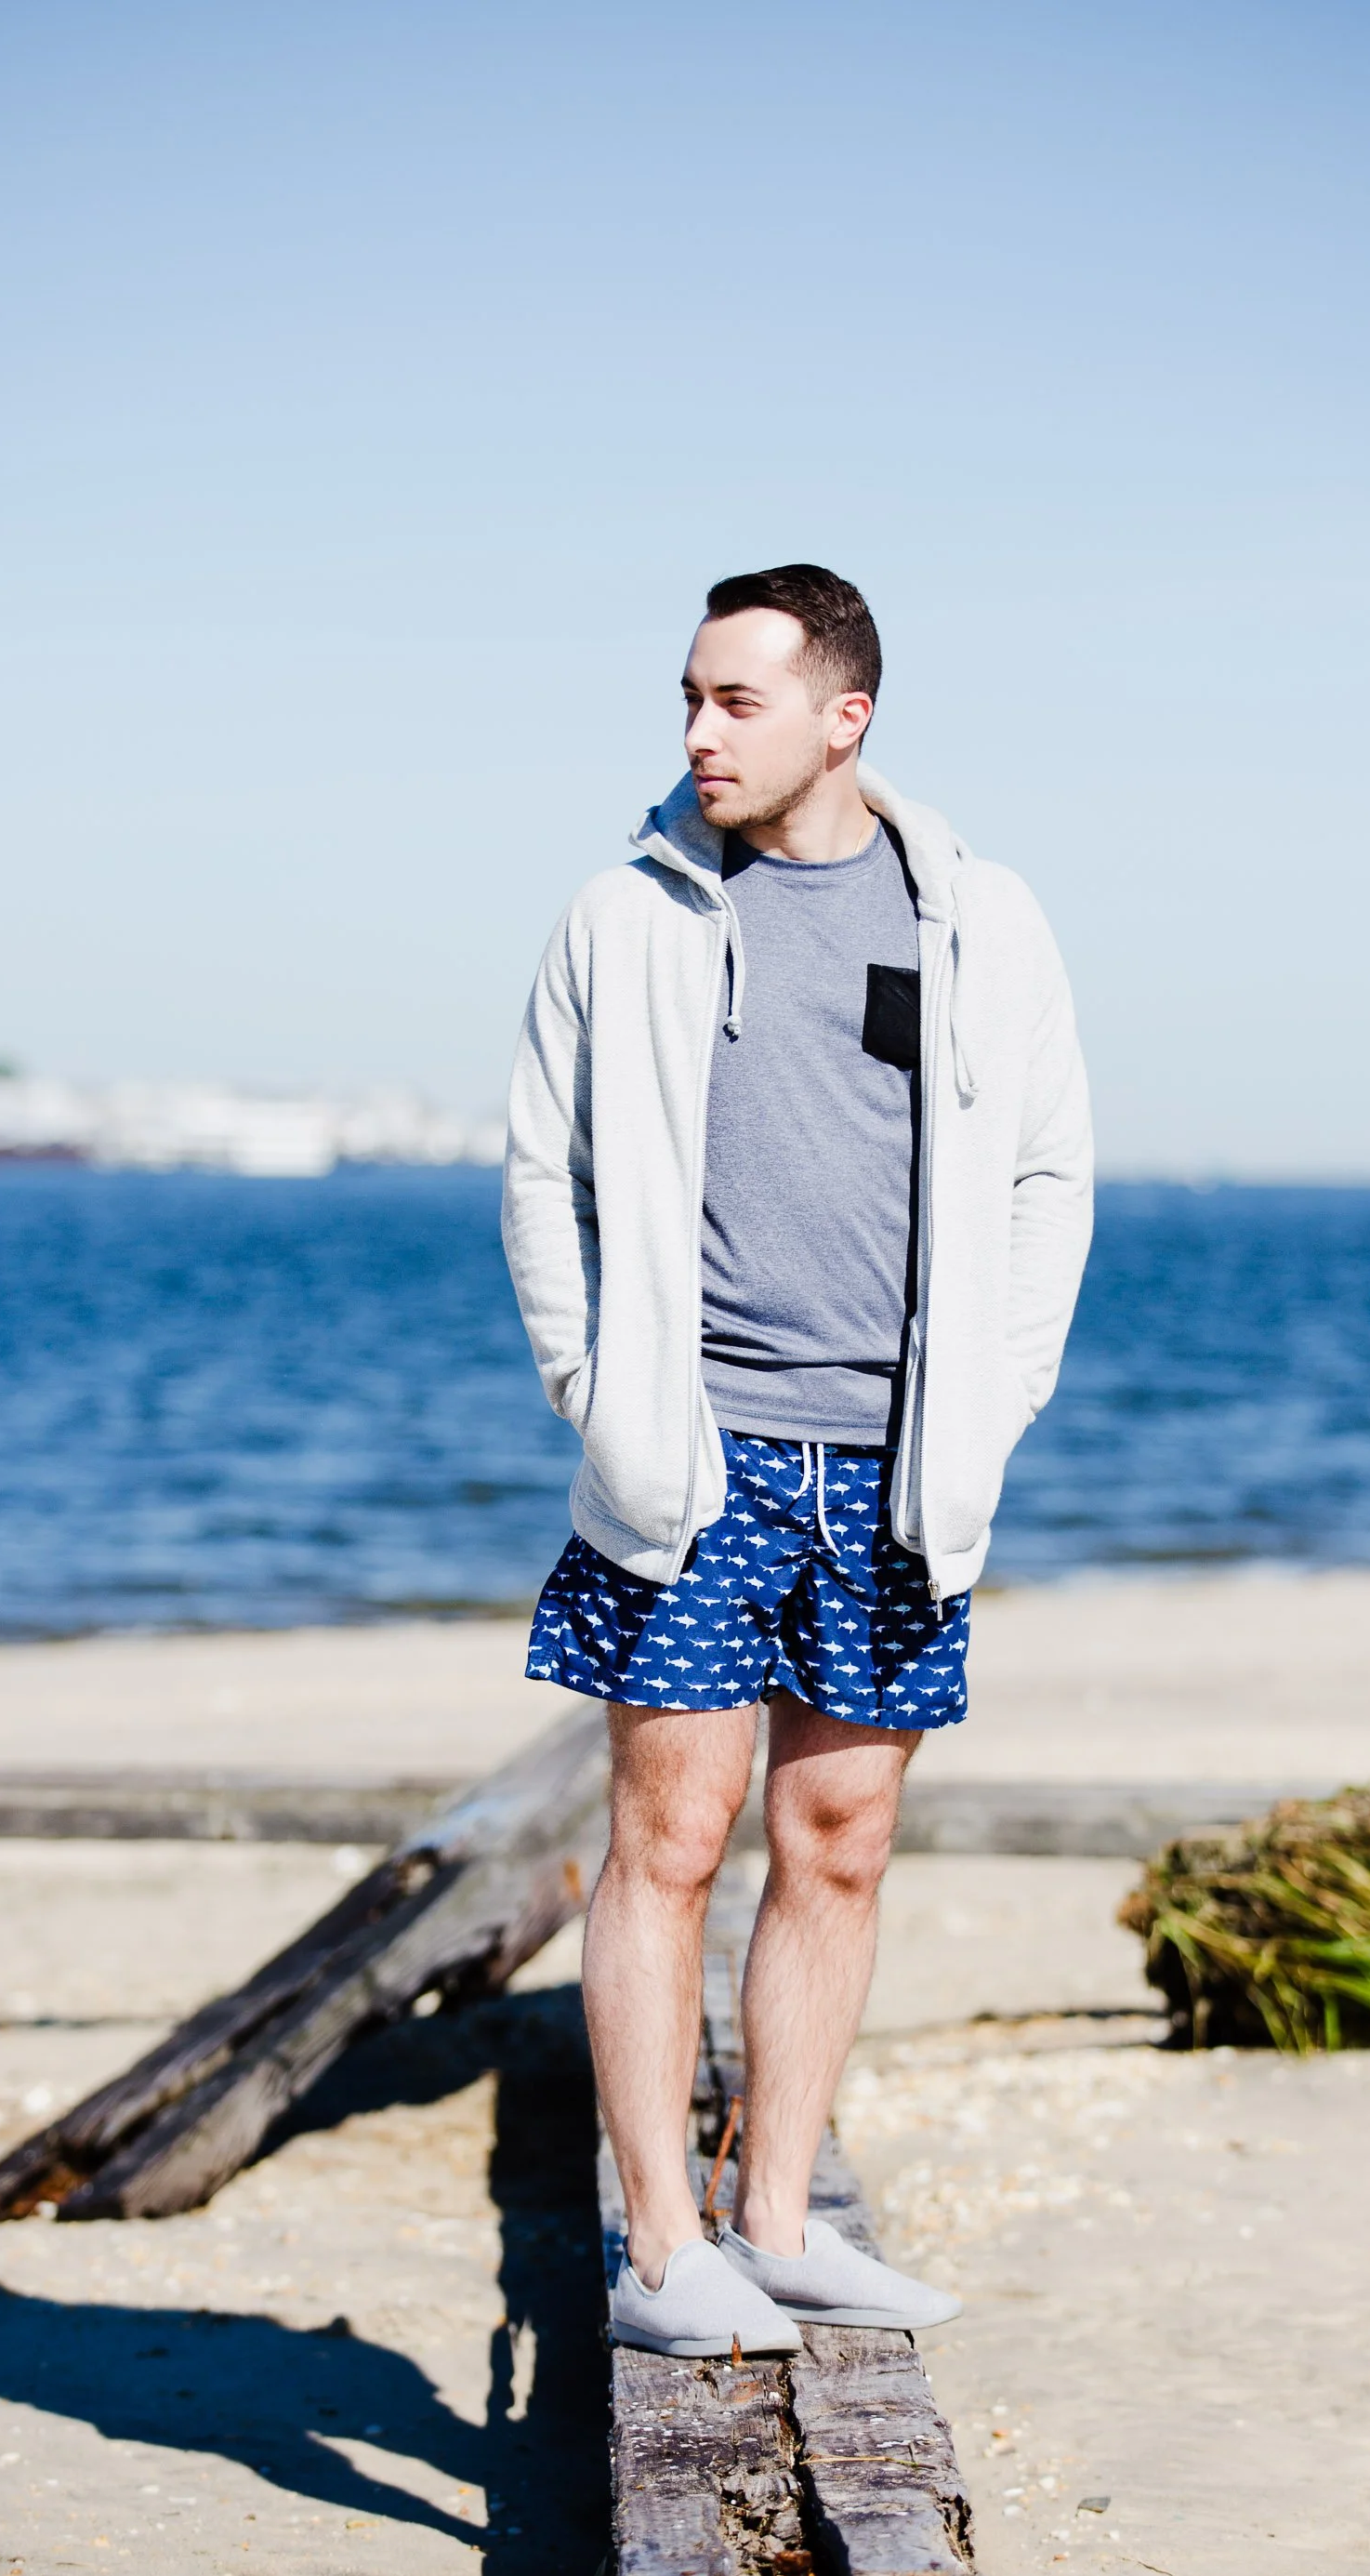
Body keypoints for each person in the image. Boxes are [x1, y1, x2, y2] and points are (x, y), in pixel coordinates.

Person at [503, 564, 1092, 2358]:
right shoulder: (629, 914)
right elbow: (545, 1174)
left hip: (899, 1472)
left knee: (839, 1841)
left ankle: (780, 2218)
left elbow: (1046, 1180)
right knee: (667, 1843)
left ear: (847, 716)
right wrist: (597, 1392)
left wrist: (988, 1408)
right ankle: (668, 2254)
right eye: (686, 697)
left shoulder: (982, 921)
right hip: (696, 1459)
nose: (696, 733)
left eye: (734, 701)